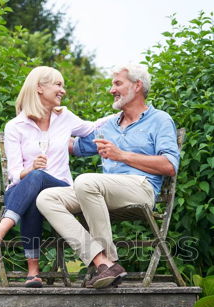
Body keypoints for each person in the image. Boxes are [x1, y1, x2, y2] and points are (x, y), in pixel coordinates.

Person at [36, 63, 180, 288]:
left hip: (141, 188)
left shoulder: (160, 120)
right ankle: (101, 261)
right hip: (101, 191)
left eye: (117, 83)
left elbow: (170, 166)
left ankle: (110, 260)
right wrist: (45, 120)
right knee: (47, 198)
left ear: (137, 85)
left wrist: (121, 155)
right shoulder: (109, 125)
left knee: (86, 181)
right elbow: (73, 146)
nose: (111, 90)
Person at [0, 66, 103, 287]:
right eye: (58, 85)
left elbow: (92, 128)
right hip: (24, 188)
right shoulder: (15, 127)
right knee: (35, 188)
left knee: (37, 179)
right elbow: (16, 174)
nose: (62, 90)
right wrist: (30, 169)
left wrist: (122, 114)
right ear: (39, 87)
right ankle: (33, 273)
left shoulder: (64, 117)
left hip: (60, 188)